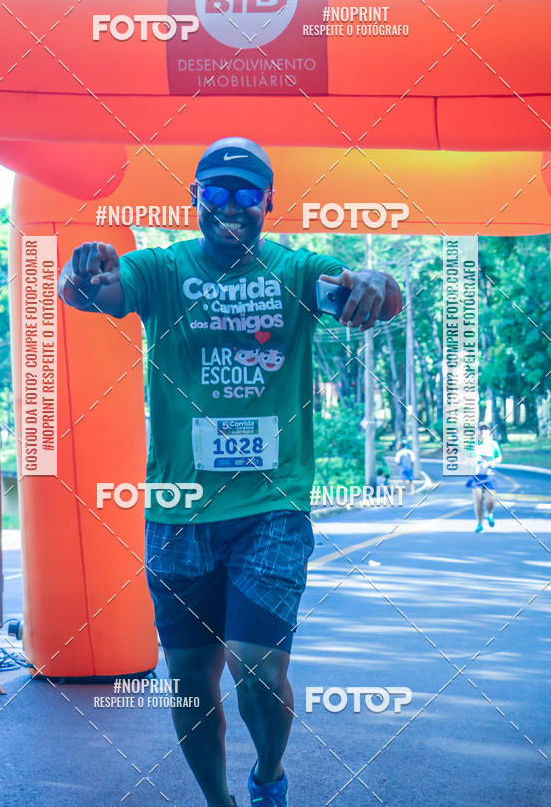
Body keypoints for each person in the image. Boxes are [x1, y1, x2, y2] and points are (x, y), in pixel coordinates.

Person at [57, 136, 402, 807]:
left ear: (269, 201)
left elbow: (372, 298)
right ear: (194, 199)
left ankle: (269, 777)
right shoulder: (160, 269)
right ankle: (218, 803)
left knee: (256, 669)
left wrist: (378, 283)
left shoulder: (300, 272)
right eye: (215, 193)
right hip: (179, 513)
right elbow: (91, 289)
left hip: (272, 507)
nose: (230, 207)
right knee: (189, 680)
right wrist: (80, 274)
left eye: (247, 195)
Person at [466, 421, 502, 533]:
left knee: (490, 502)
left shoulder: (493, 444)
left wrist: (492, 462)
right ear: (477, 431)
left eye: (485, 429)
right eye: (480, 429)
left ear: (488, 431)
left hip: (489, 476)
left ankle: (490, 513)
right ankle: (479, 524)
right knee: (478, 501)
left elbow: (499, 457)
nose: (482, 431)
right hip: (476, 476)